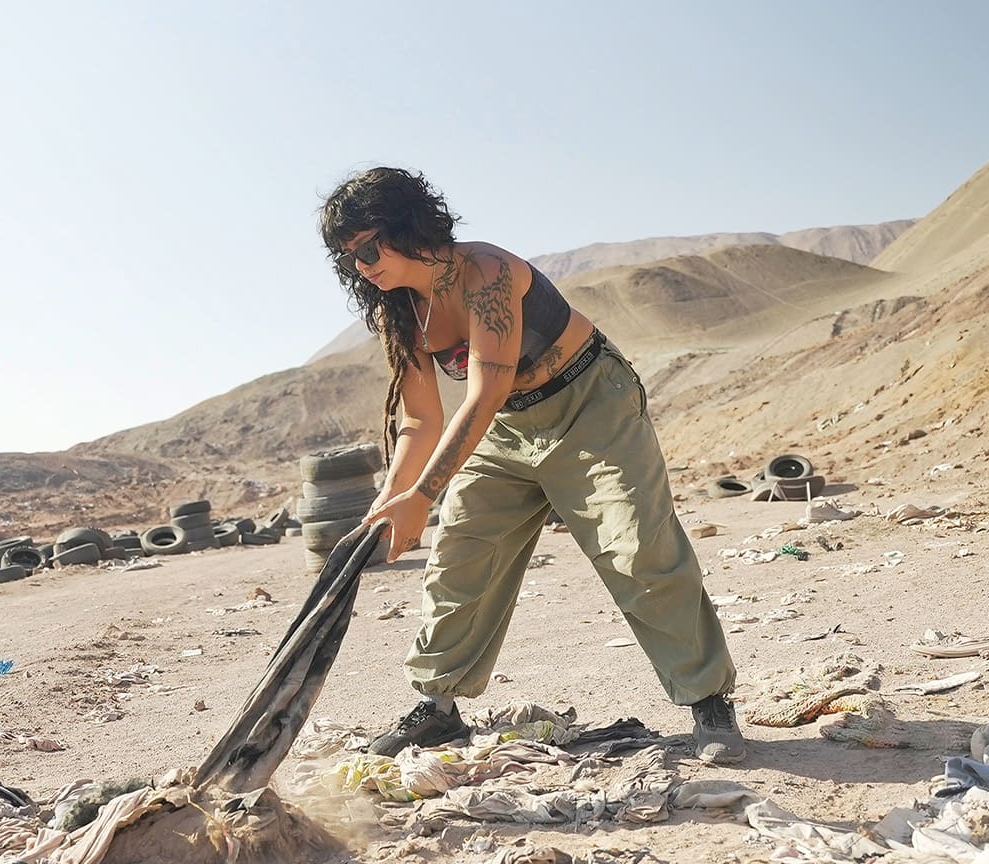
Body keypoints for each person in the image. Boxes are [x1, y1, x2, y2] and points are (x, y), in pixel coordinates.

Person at [318, 166, 747, 765]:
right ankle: (437, 711)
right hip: (503, 429)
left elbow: (483, 389)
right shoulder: (399, 310)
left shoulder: (488, 271)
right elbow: (420, 421)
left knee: (636, 545)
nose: (364, 266)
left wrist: (424, 494)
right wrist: (393, 498)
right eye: (350, 258)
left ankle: (708, 702)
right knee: (461, 556)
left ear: (406, 226)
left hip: (589, 404)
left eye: (369, 247)